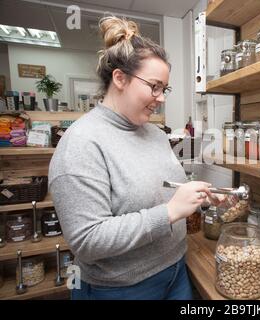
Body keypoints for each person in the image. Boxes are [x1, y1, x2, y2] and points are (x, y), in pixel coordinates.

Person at [49, 16, 216, 300]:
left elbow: (166, 191)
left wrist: (198, 197)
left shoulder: (156, 134)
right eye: (154, 86)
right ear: (120, 78)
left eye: (165, 88)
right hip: (121, 288)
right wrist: (170, 212)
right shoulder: (81, 143)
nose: (161, 97)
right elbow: (87, 240)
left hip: (176, 270)